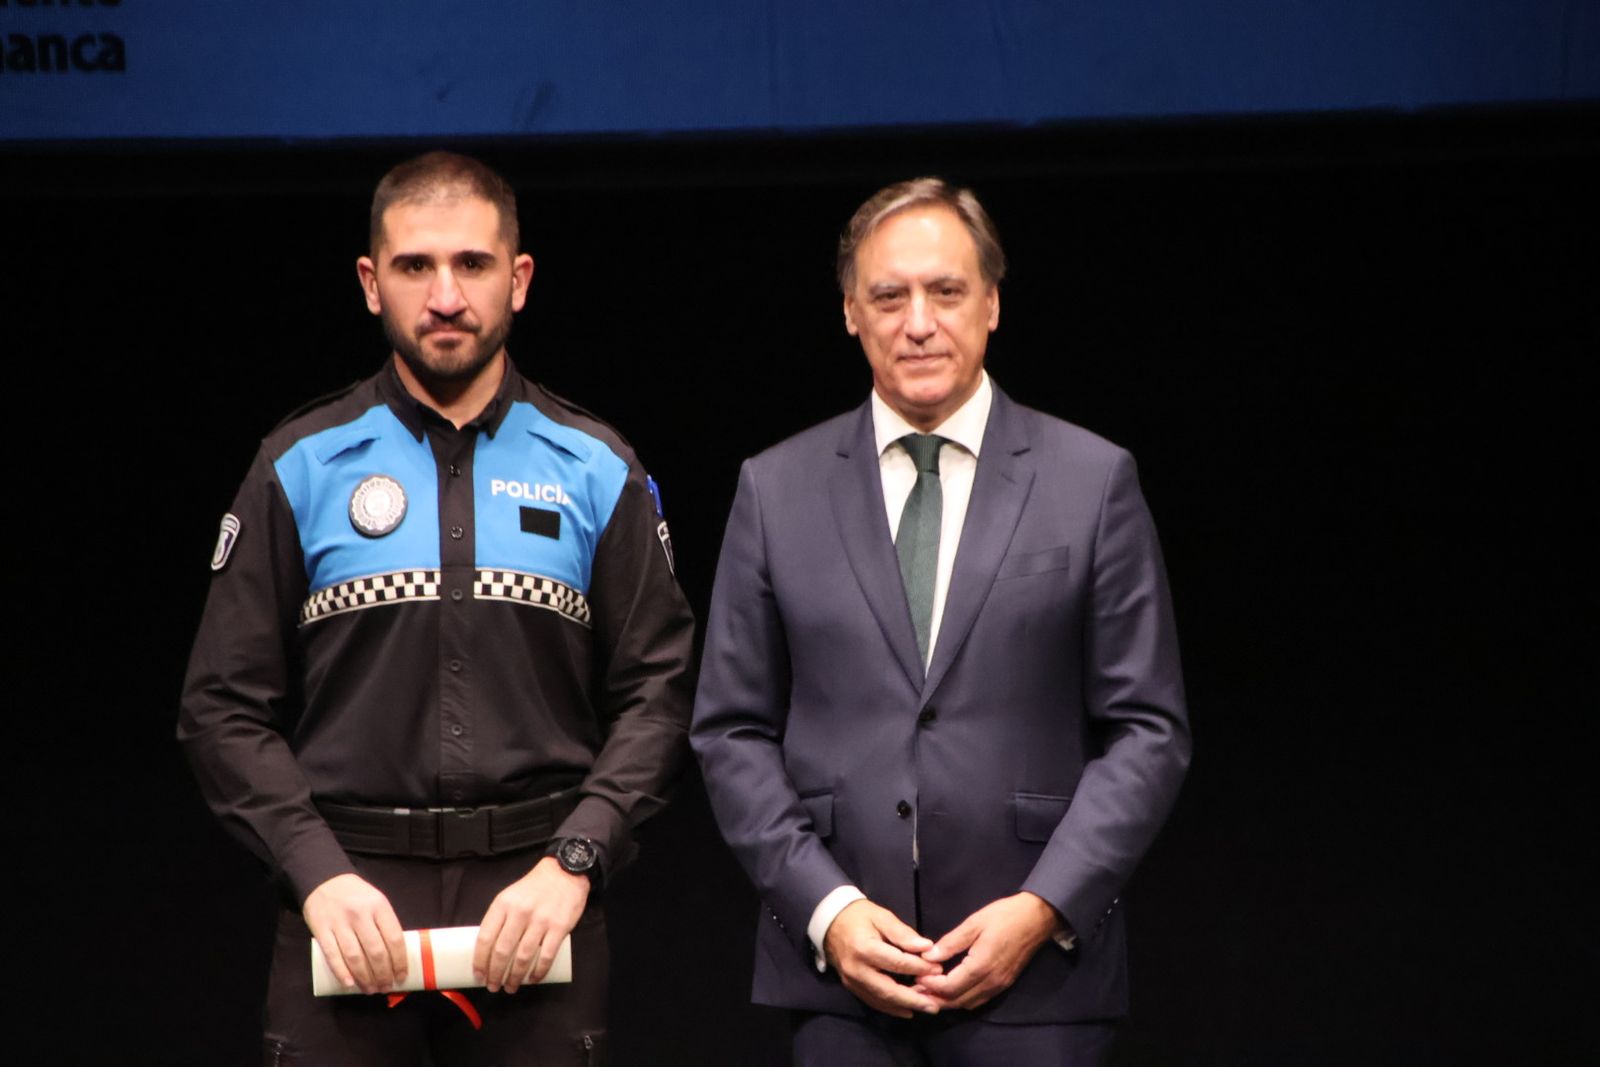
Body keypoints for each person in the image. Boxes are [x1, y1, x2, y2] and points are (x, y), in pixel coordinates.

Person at [178, 151, 694, 1066]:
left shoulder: (596, 467)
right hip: (342, 902)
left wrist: (574, 862)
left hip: (536, 902)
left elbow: (658, 693)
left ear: (519, 280)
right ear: (372, 284)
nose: (446, 296)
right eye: (416, 266)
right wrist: (316, 874)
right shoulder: (299, 464)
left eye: (473, 265)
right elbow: (220, 706)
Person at [690, 178, 1190, 1065]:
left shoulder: (1091, 479)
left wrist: (1043, 908)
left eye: (946, 291)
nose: (918, 321)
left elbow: (1149, 730)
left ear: (992, 303)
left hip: (1039, 977)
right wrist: (829, 910)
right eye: (889, 295)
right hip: (842, 983)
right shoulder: (775, 488)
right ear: (851, 311)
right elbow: (730, 731)